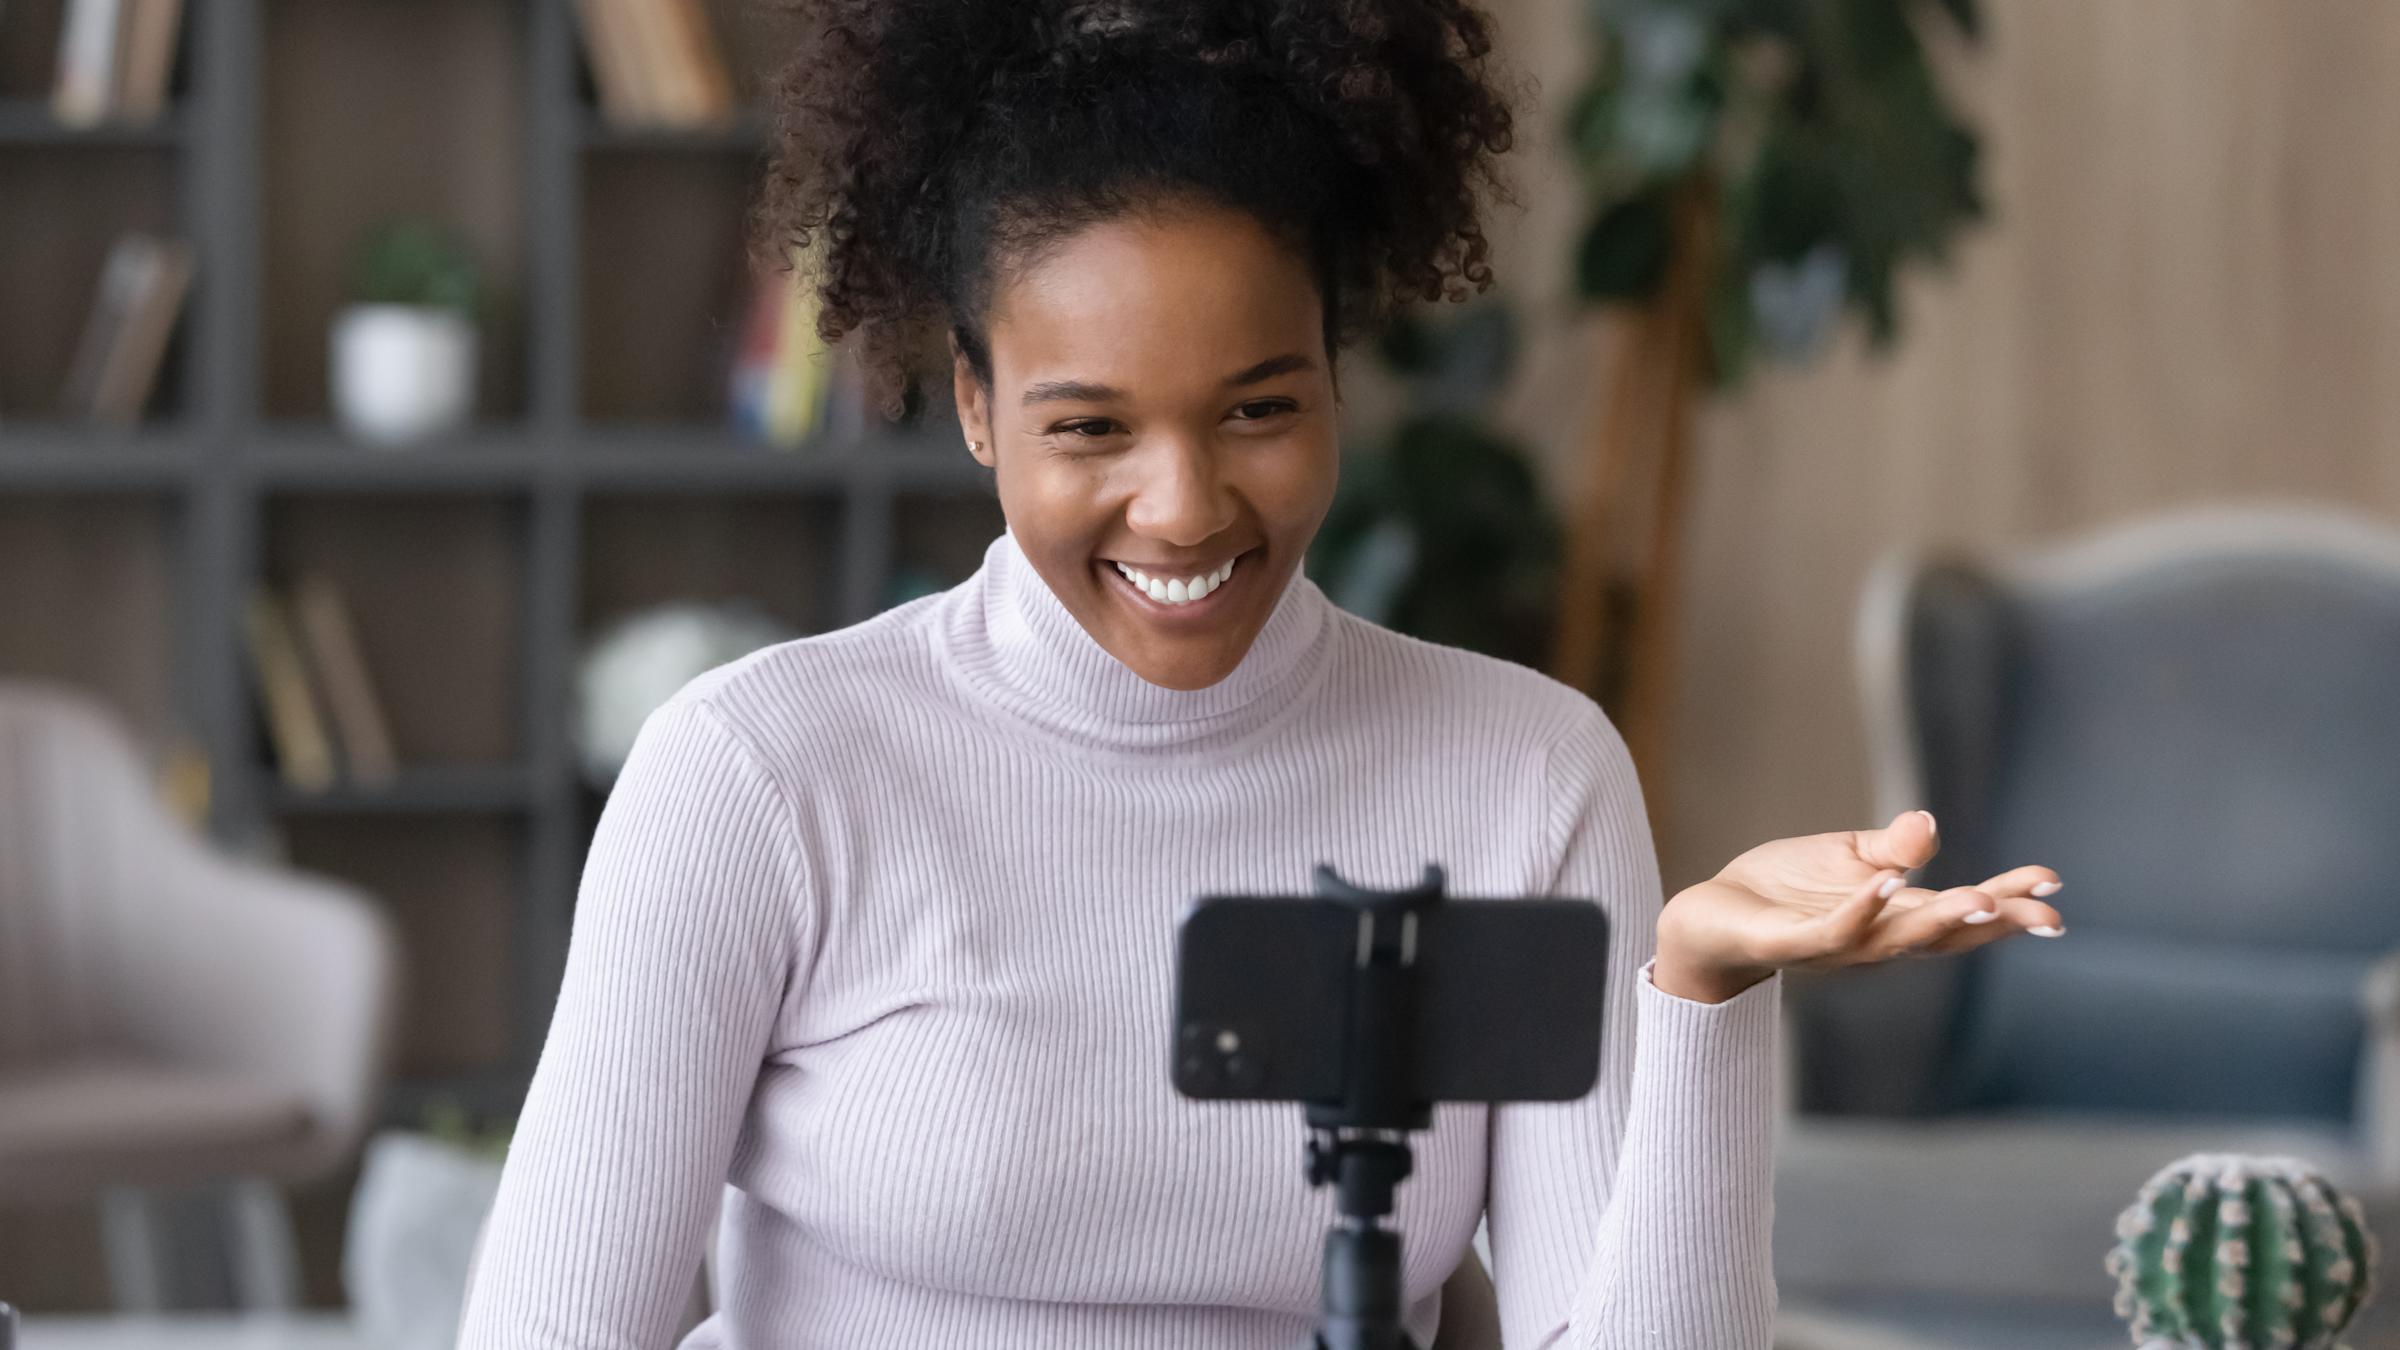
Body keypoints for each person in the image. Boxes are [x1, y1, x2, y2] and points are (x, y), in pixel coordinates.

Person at [456, 2, 2065, 1347]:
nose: (1186, 506)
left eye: (1258, 409)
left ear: (1336, 374)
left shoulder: (1522, 765)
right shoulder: (760, 771)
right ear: (971, 403)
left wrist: (1703, 988)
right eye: (1089, 426)